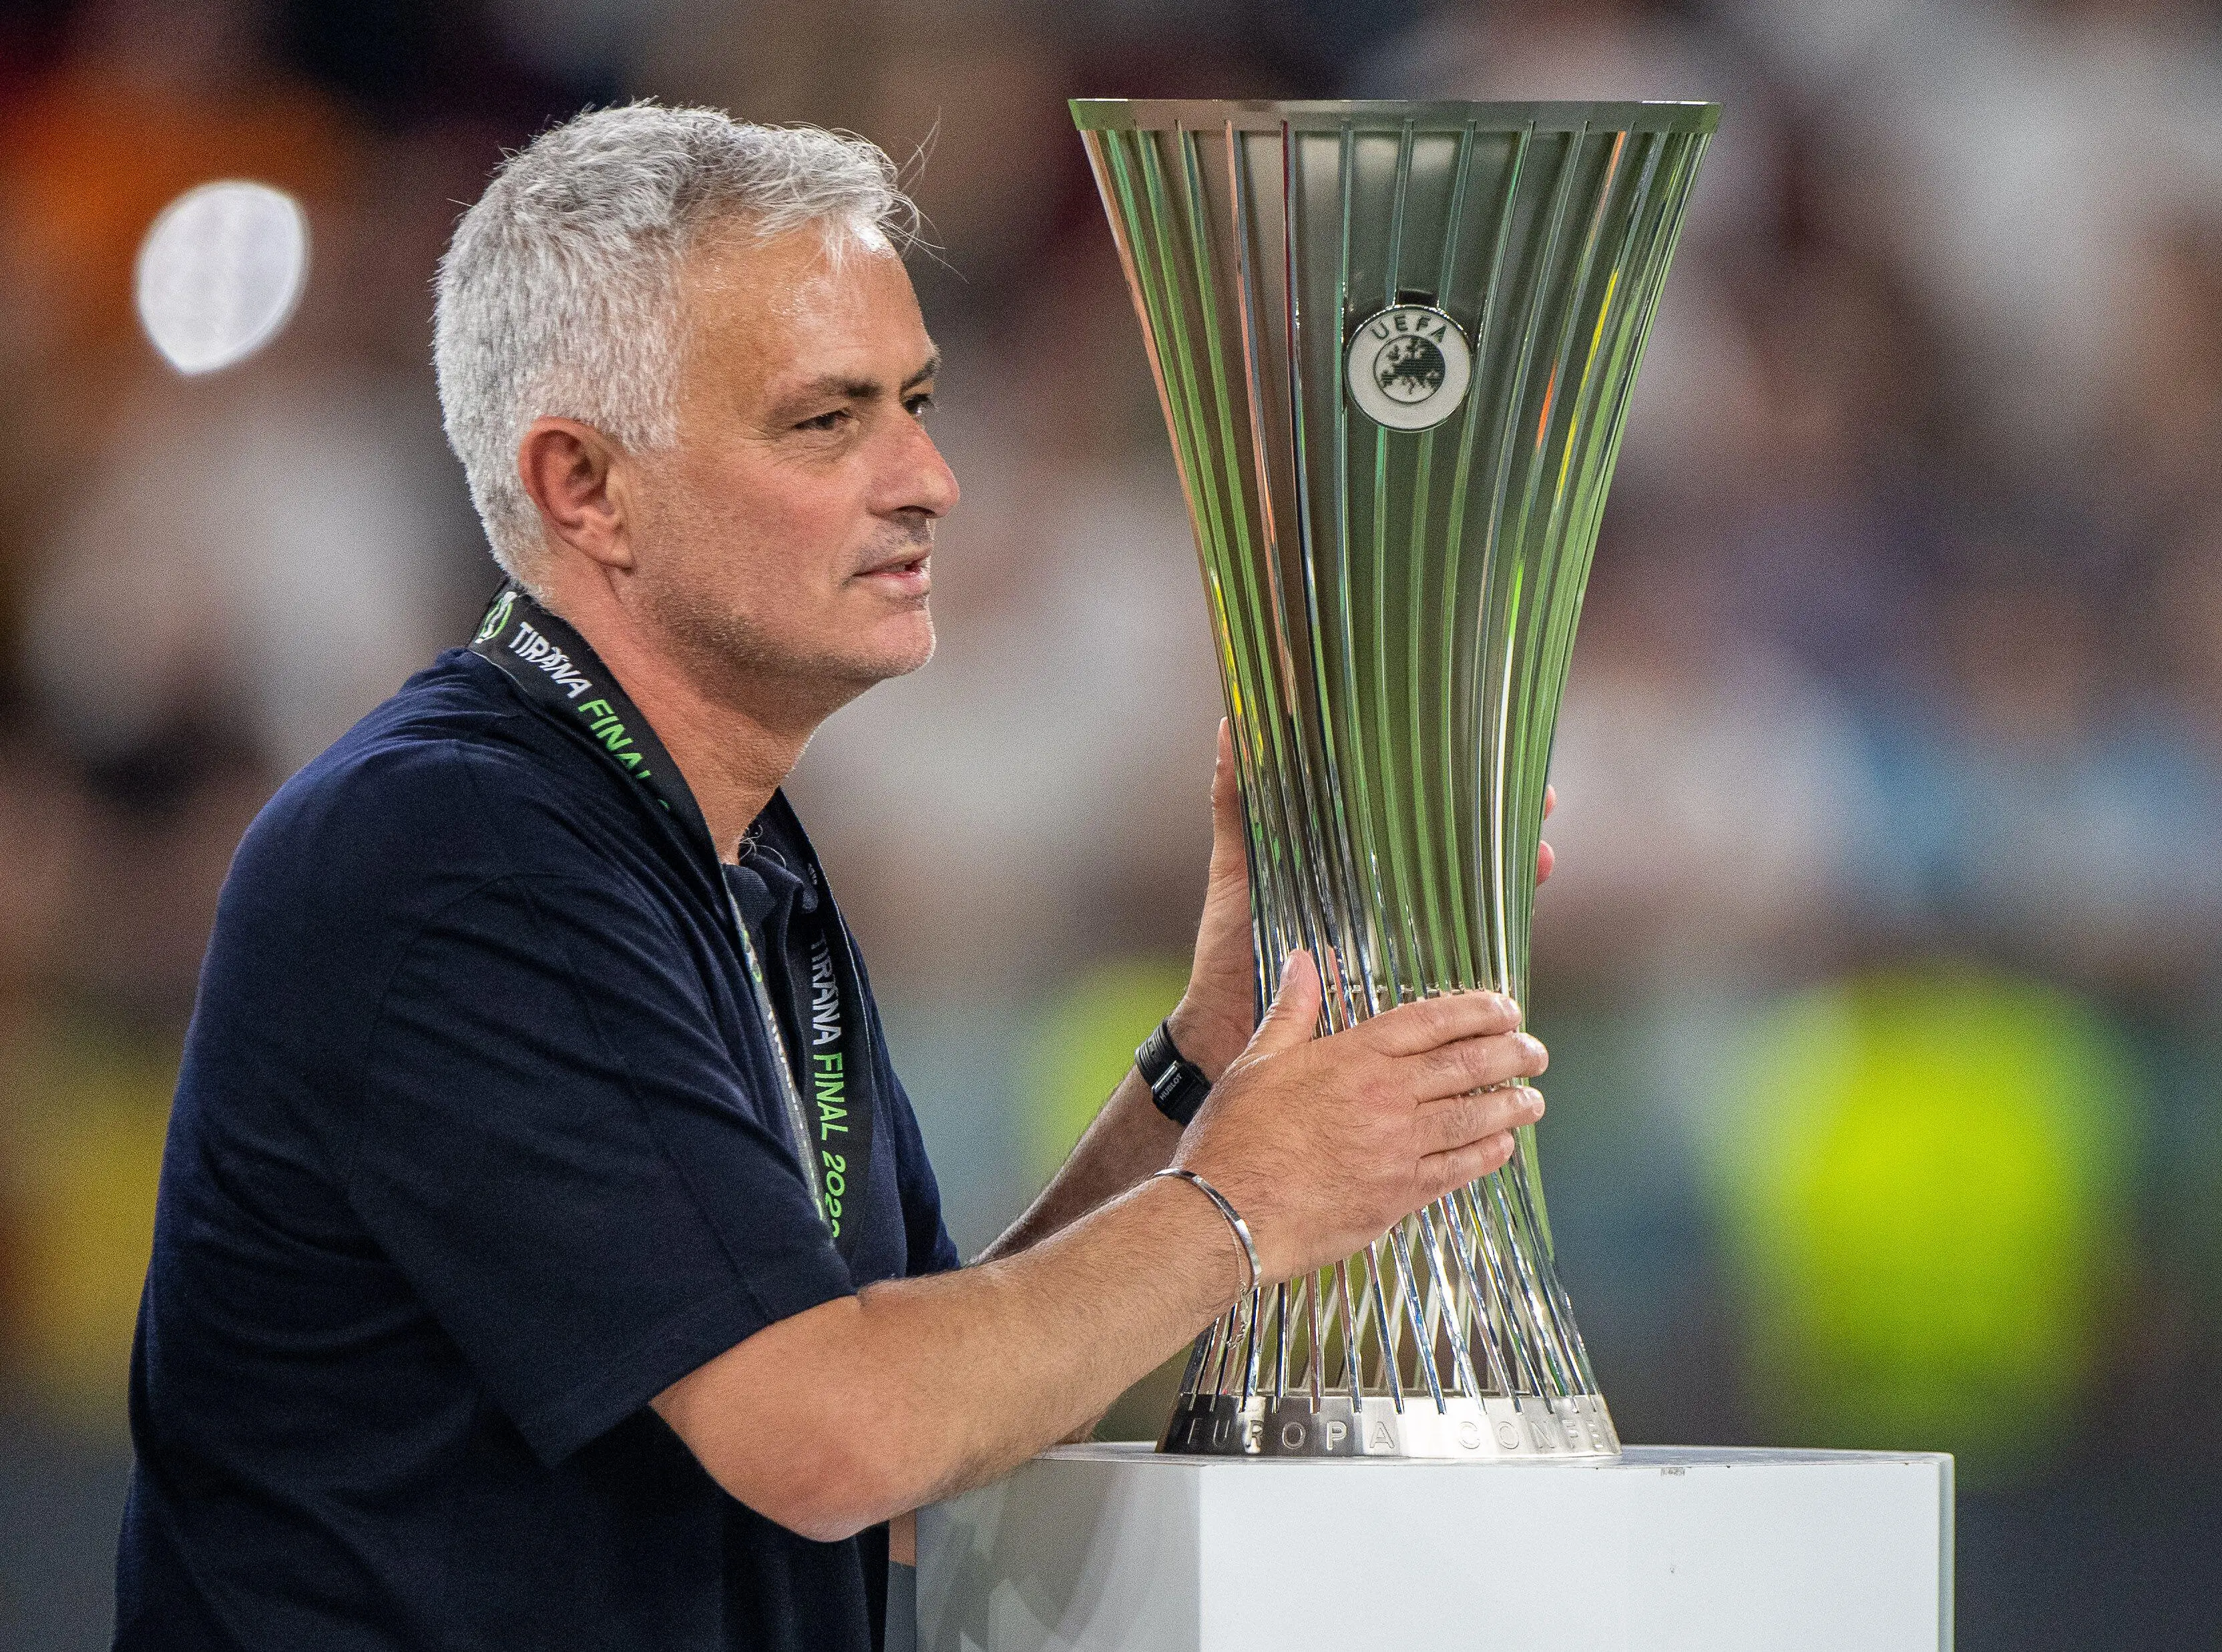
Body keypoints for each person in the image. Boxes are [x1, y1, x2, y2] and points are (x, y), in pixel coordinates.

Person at [113, 103, 1550, 1652]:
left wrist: (1208, 1054)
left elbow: (924, 1425)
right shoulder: (450, 848)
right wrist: (1246, 1199)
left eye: (919, 401)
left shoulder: (726, 855)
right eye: (827, 420)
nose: (929, 476)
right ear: (583, 484)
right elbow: (834, 1436)